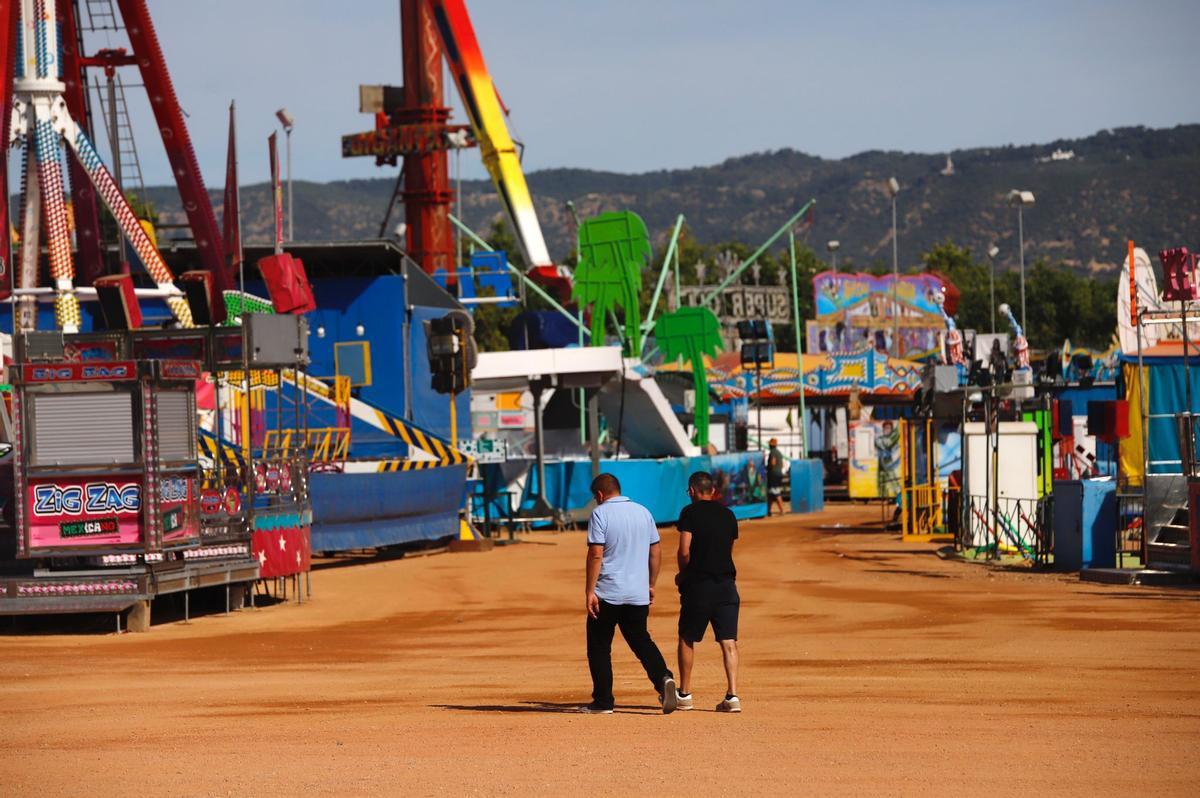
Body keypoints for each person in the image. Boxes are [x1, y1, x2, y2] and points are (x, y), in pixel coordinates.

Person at [581, 473, 677, 714]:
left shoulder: (600, 514)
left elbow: (596, 553)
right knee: (641, 641)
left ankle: (603, 701)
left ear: (600, 494)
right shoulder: (643, 512)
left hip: (608, 592)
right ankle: (663, 678)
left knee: (599, 646)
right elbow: (655, 551)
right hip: (637, 592)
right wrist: (650, 583)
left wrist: (590, 591)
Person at [672, 471, 741, 713]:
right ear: (712, 491)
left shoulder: (689, 513)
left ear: (692, 491)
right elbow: (728, 550)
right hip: (726, 585)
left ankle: (685, 694)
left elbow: (684, 550)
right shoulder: (729, 515)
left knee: (687, 638)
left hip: (699, 585)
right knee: (728, 641)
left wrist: (683, 574)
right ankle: (733, 695)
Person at [766, 438, 786, 516]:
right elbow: (783, 464)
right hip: (778, 474)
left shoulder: (773, 452)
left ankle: (782, 510)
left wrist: (767, 467)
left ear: (771, 445)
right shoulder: (779, 452)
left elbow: (773, 463)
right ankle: (768, 511)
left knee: (776, 492)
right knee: (770, 494)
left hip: (773, 475)